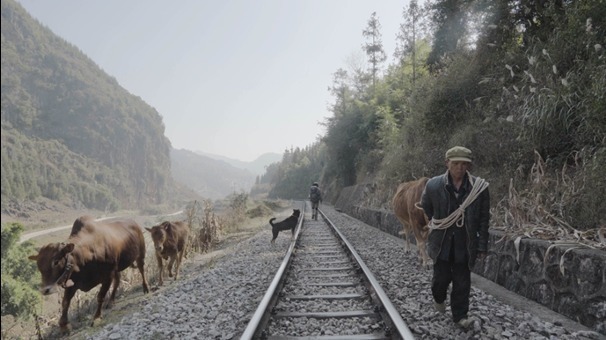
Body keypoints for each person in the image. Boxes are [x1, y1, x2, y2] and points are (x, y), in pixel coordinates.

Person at [420, 146, 490, 328]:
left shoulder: (479, 188)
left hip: (465, 244)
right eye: (456, 163)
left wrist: (482, 246)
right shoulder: (433, 185)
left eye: (464, 164)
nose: (460, 168)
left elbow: (484, 219)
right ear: (447, 163)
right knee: (439, 281)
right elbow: (426, 207)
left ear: (469, 166)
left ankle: (460, 316)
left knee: (462, 283)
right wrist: (440, 221)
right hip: (441, 242)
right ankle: (439, 298)